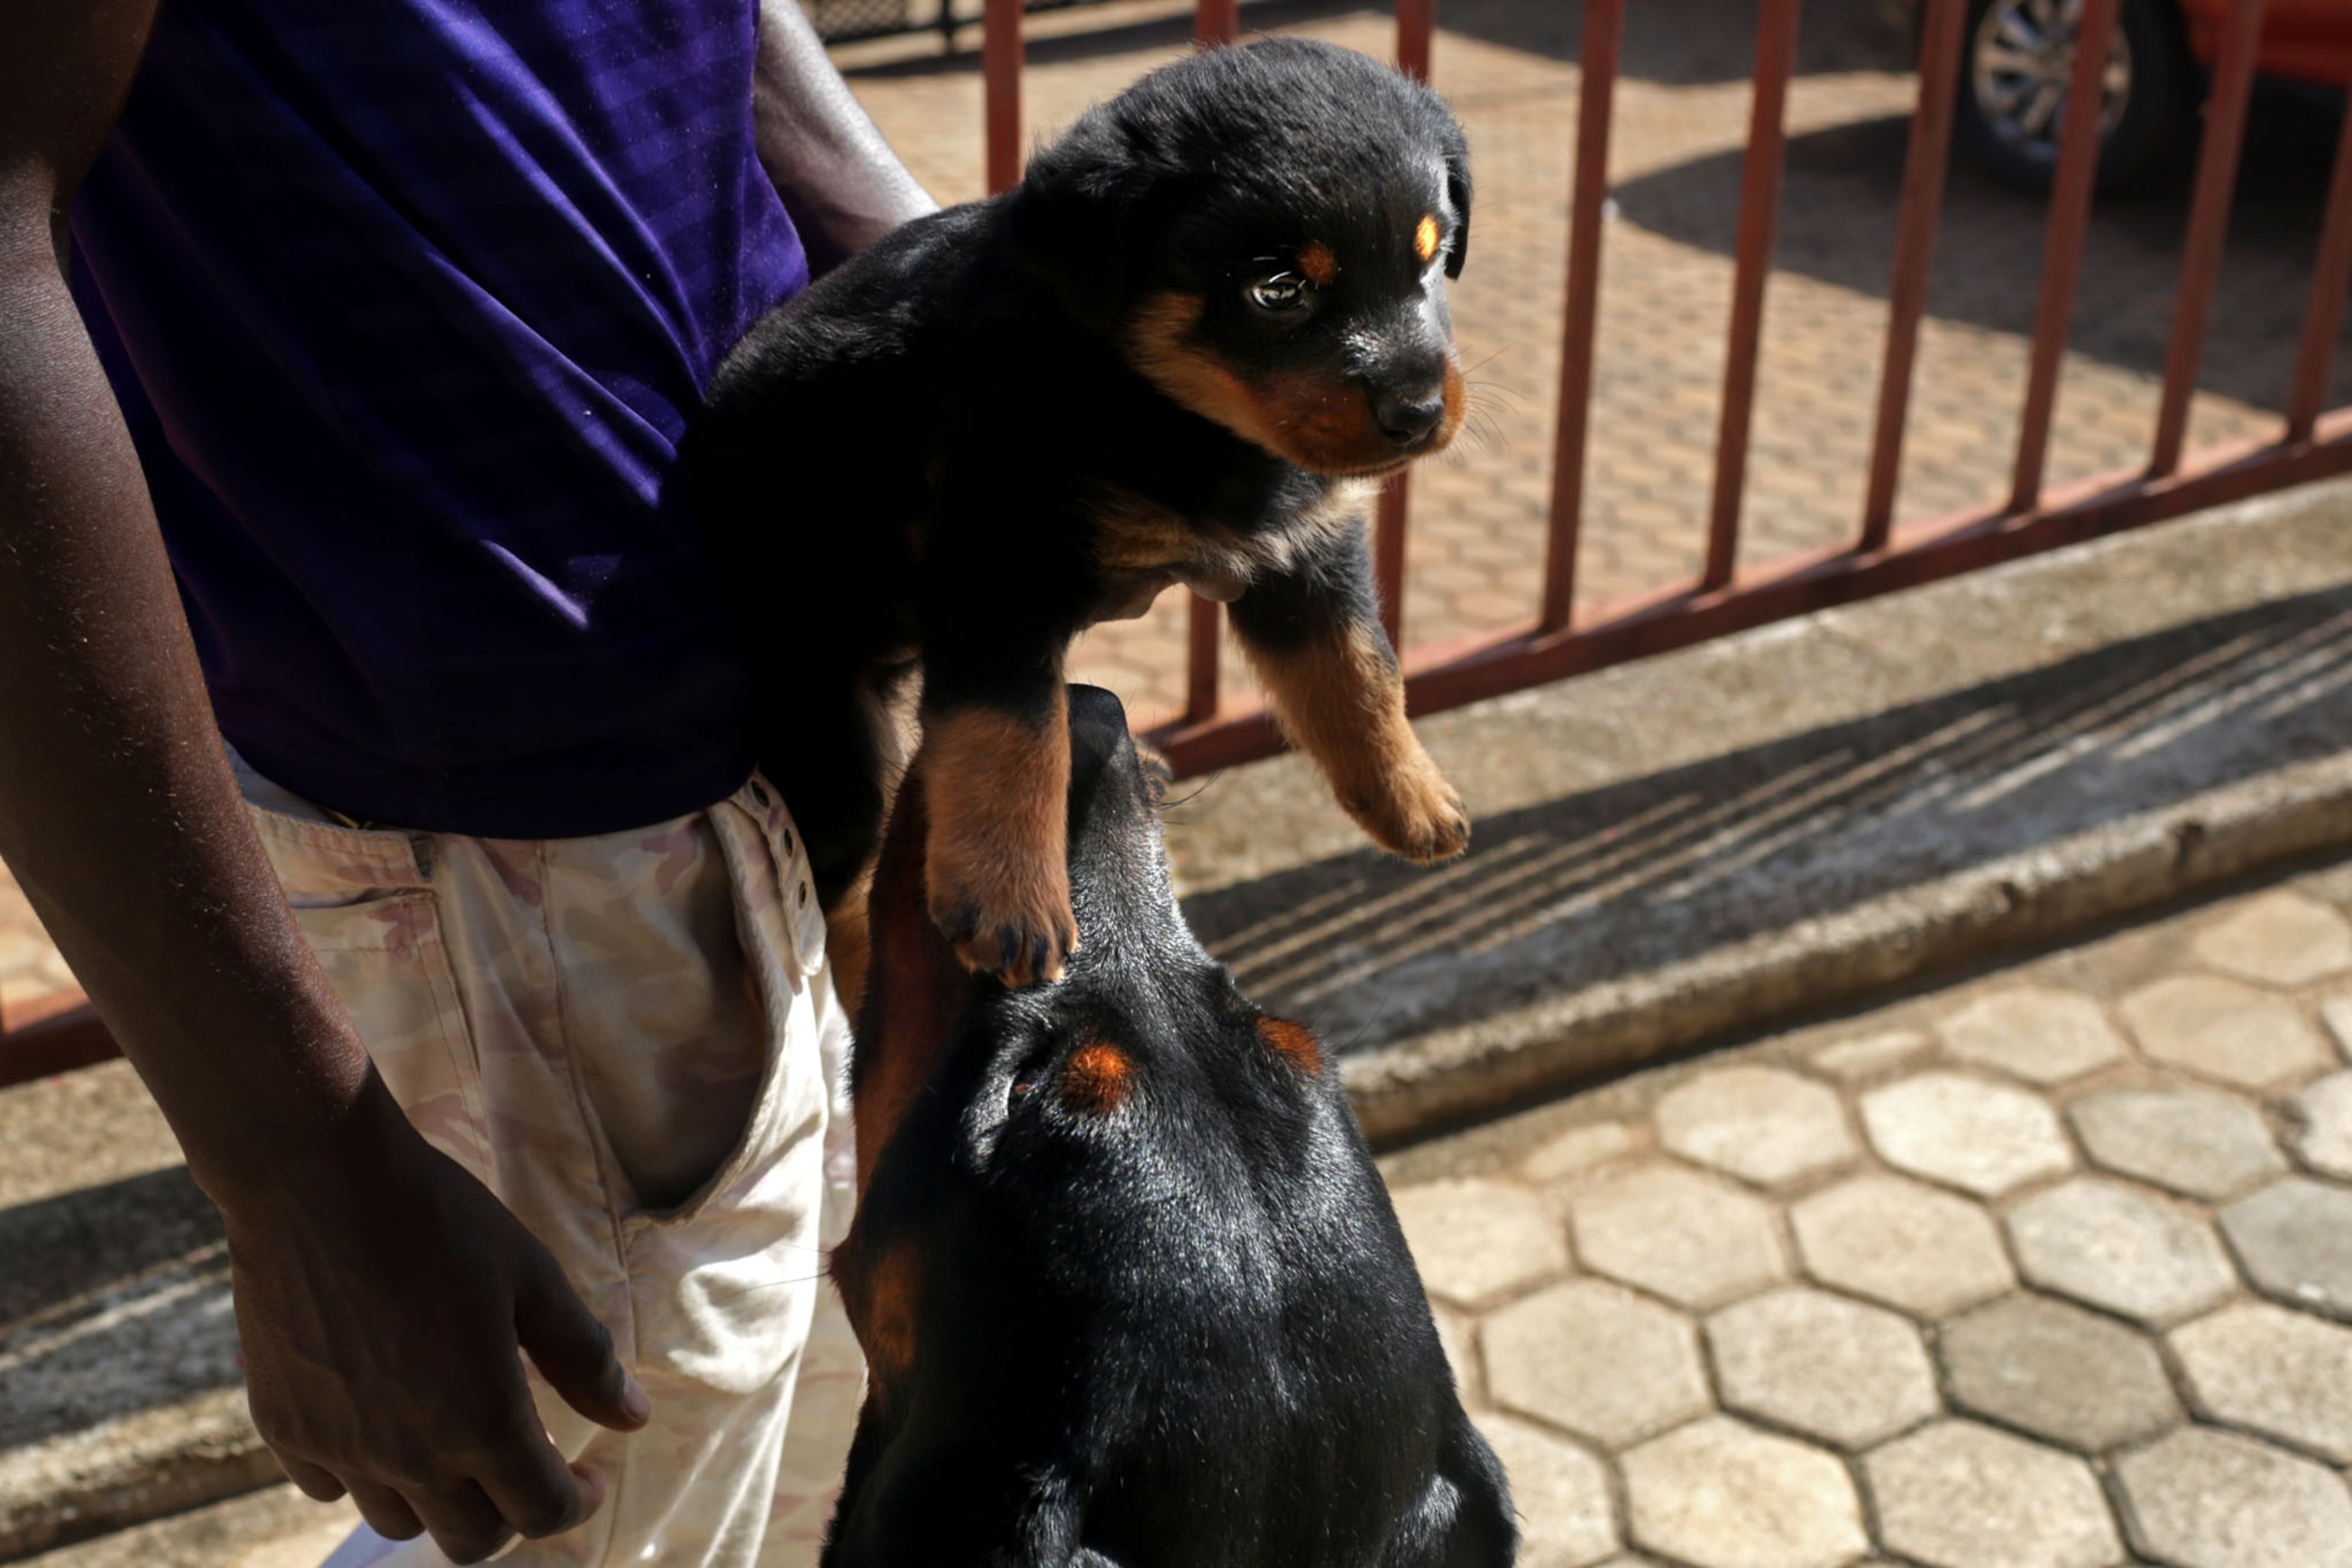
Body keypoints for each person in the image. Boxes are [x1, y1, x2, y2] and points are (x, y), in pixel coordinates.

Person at [0, 1, 934, 1563]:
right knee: (589, 1501)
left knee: (798, 1467)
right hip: (505, 842)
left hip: (767, 716)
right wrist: (302, 1172)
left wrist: (934, 270)